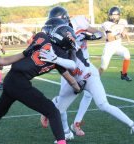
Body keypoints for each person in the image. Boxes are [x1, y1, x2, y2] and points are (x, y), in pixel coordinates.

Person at [39, 17, 134, 142]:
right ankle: (67, 132)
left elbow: (73, 63)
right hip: (73, 80)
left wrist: (56, 59)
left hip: (88, 75)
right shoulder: (54, 45)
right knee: (59, 109)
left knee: (103, 104)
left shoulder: (70, 39)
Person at [40, 6, 103, 137]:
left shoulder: (79, 22)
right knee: (63, 101)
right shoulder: (54, 32)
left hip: (85, 64)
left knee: (89, 95)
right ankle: (65, 130)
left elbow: (99, 34)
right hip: (69, 66)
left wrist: (89, 36)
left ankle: (76, 123)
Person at [101, 6, 132, 81]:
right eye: (112, 15)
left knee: (127, 54)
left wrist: (128, 39)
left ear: (119, 15)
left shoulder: (122, 22)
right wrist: (121, 35)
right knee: (103, 67)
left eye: (115, 15)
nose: (113, 17)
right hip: (109, 47)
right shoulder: (107, 24)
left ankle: (124, 74)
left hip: (118, 46)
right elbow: (110, 38)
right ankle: (95, 79)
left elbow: (124, 30)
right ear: (109, 15)